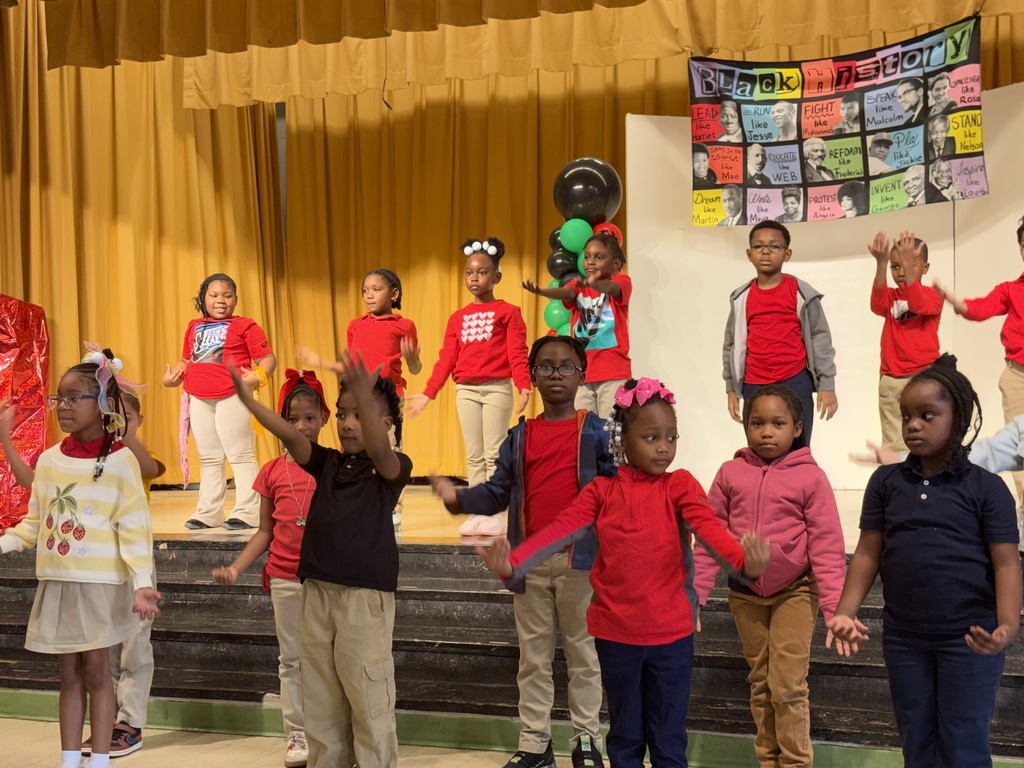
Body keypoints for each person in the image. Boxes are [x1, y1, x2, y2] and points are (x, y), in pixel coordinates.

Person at [476, 377, 771, 768]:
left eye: (671, 436)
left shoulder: (679, 485)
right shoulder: (600, 491)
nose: (664, 447)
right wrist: (515, 561)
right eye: (651, 437)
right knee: (625, 739)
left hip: (671, 639)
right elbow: (559, 531)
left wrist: (743, 561)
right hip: (616, 638)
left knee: (668, 741)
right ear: (621, 440)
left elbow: (710, 529)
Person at [828, 355, 1021, 768]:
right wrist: (845, 611)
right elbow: (867, 552)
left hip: (969, 639)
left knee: (964, 743)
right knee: (917, 740)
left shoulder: (987, 489)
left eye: (927, 415)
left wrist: (1006, 626)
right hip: (905, 638)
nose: (913, 424)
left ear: (959, 417)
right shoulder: (886, 483)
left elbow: (1006, 563)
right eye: (907, 416)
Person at [429, 336, 613, 768]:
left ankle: (587, 741)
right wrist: (458, 498)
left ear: (582, 375)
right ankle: (535, 743)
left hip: (581, 563)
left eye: (566, 366)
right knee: (533, 659)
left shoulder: (598, 433)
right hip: (529, 564)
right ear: (531, 375)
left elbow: (616, 493)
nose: (555, 374)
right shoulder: (521, 435)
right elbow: (497, 491)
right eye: (546, 367)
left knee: (585, 656)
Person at [230, 351, 411, 768]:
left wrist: (366, 392)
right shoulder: (327, 463)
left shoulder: (391, 469)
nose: (348, 424)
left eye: (359, 414)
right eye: (343, 414)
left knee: (368, 701)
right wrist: (250, 403)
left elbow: (382, 451)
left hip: (362, 601)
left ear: (385, 425)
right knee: (323, 703)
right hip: (316, 595)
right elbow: (294, 438)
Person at [0, 345, 161, 768]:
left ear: (103, 404)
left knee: (97, 674)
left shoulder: (122, 461)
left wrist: (143, 584)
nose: (63, 407)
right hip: (60, 583)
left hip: (100, 586)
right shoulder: (51, 460)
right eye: (59, 398)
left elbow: (133, 529)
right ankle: (70, 761)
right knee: (68, 677)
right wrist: (4, 542)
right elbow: (34, 525)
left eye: (75, 398)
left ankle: (101, 760)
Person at [694, 384, 848, 768]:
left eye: (777, 423)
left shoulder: (811, 478)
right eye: (757, 423)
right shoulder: (730, 472)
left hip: (795, 592)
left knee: (788, 686)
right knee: (761, 682)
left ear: (797, 427)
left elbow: (827, 546)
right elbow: (709, 537)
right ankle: (769, 760)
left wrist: (834, 607)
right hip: (745, 592)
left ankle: (795, 763)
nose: (766, 432)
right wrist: (693, 595)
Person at [212, 369, 331, 768]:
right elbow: (264, 532)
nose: (300, 426)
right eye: (292, 419)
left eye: (309, 418)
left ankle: (328, 729)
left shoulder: (333, 466)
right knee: (292, 659)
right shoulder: (271, 472)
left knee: (329, 658)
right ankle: (296, 734)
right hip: (284, 578)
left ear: (324, 419)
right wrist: (237, 566)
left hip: (328, 580)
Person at [407, 238, 531, 537]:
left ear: (497, 276)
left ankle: (495, 513)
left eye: (483, 272)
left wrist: (523, 385)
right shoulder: (457, 318)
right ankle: (478, 510)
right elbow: (446, 359)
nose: (475, 278)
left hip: (496, 388)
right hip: (466, 391)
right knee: (474, 455)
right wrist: (428, 393)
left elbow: (517, 352)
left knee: (493, 453)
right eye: (469, 272)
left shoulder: (508, 312)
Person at [163, 273, 277, 530]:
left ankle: (248, 513)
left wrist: (257, 377)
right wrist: (171, 379)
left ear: (236, 299)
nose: (221, 300)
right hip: (198, 397)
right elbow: (185, 361)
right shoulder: (193, 326)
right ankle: (208, 513)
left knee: (240, 454)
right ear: (203, 298)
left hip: (233, 395)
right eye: (214, 295)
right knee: (209, 457)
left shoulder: (245, 326)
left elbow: (269, 359)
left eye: (227, 295)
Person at [723, 221, 839, 445]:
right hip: (754, 383)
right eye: (758, 246)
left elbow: (820, 338)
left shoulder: (801, 293)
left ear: (787, 254)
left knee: (797, 448)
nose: (765, 252)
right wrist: (731, 389)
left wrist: (827, 384)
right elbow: (730, 345)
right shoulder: (741, 298)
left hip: (795, 380)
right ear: (749, 254)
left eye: (775, 246)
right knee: (760, 448)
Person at [936, 217, 1024, 500]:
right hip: (1018, 378)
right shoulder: (1011, 289)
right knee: (1020, 449)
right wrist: (959, 303)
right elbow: (982, 308)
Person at [522, 233, 631, 416]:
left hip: (613, 372)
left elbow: (612, 289)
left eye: (599, 257)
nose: (591, 261)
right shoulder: (578, 285)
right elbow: (566, 293)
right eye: (587, 257)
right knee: (584, 428)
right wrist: (542, 291)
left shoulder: (621, 282)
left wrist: (594, 284)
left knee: (611, 430)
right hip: (581, 372)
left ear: (615, 265)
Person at [347, 268, 420, 531]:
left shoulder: (404, 325)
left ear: (394, 294)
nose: (369, 295)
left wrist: (411, 355)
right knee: (357, 452)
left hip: (389, 399)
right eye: (365, 290)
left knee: (389, 451)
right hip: (358, 398)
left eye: (376, 289)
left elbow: (415, 367)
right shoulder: (355, 325)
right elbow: (352, 364)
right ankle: (361, 503)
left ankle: (392, 508)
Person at [868, 230, 943, 452]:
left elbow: (918, 304)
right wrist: (881, 264)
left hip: (924, 376)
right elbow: (876, 305)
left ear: (925, 268)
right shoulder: (890, 297)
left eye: (910, 265)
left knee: (929, 438)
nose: (901, 272)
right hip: (892, 378)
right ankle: (898, 485)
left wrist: (909, 271)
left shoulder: (933, 295)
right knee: (894, 443)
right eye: (895, 266)